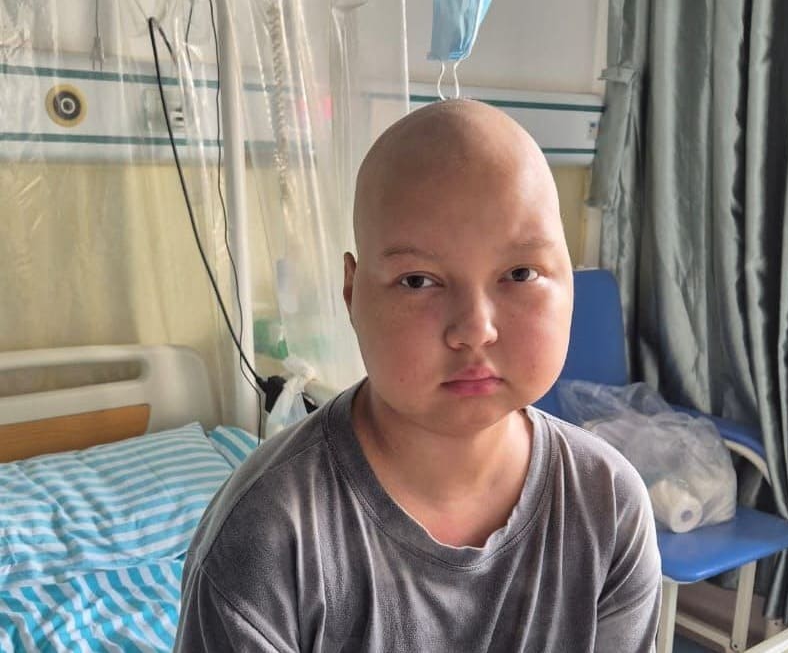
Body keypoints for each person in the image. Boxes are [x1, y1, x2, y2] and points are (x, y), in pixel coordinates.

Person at [174, 99, 662, 652]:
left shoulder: (607, 508)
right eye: (417, 281)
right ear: (352, 294)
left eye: (520, 273)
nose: (474, 329)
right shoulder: (265, 538)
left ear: (570, 280)